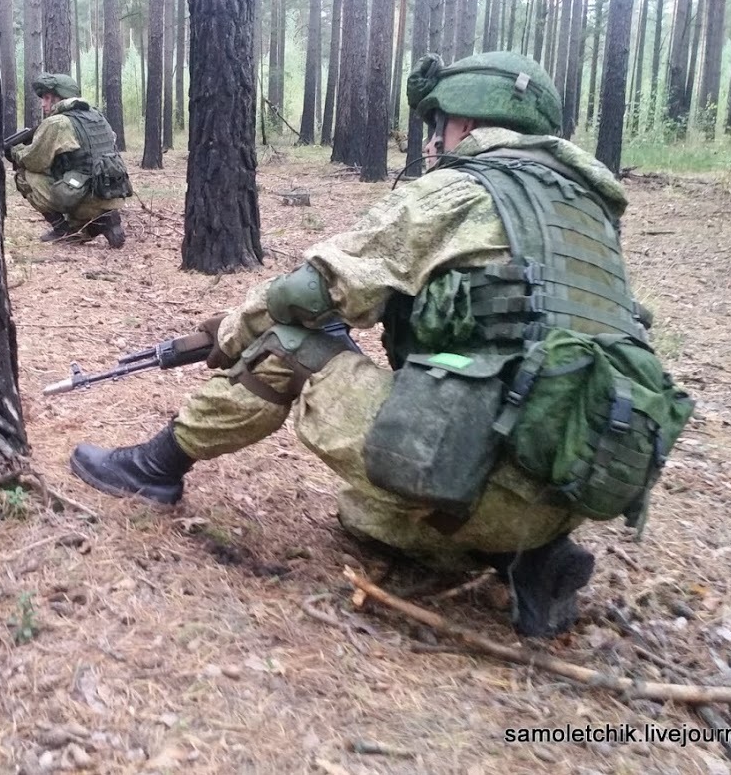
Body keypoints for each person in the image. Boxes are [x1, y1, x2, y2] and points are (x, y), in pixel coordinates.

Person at [66, 52, 693, 638]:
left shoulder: (457, 192)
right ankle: (532, 558)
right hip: (570, 486)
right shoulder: (588, 213)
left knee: (289, 340)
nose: (431, 140)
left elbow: (307, 295)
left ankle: (155, 468)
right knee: (364, 520)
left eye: (439, 125)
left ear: (468, 120)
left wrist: (226, 333)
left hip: (478, 473)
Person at [10, 73, 131, 247]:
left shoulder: (58, 123)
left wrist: (15, 152)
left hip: (87, 196)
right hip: (111, 193)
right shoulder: (96, 116)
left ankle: (63, 230)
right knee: (73, 181)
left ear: (60, 98)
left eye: (47, 97)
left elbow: (34, 161)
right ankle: (103, 221)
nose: (43, 103)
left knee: (24, 176)